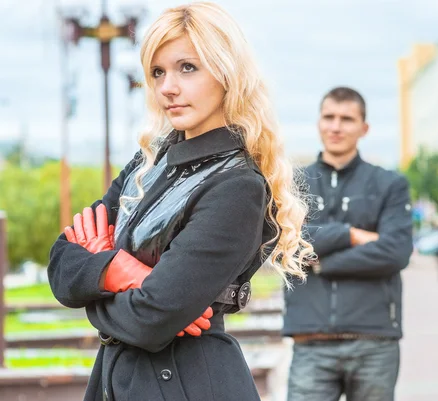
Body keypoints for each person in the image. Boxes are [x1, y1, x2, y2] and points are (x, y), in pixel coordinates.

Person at [47, 3, 312, 401]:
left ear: (227, 73)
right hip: (120, 381)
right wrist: (121, 272)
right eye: (158, 72)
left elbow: (151, 320)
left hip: (188, 384)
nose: (168, 86)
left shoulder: (237, 186)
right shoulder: (149, 162)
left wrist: (99, 279)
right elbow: (61, 263)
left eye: (187, 67)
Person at [282, 87, 414, 401]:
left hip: (374, 341)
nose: (336, 126)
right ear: (318, 123)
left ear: (364, 128)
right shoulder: (292, 185)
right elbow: (285, 246)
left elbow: (395, 252)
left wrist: (322, 262)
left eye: (347, 119)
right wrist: (350, 235)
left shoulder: (390, 185)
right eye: (329, 117)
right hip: (309, 340)